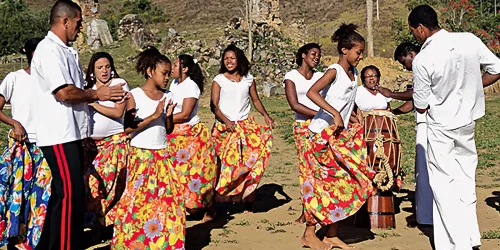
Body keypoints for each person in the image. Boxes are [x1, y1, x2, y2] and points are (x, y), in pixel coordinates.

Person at [30, 1, 126, 249]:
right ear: (64, 21)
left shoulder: (66, 51)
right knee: (70, 195)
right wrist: (98, 95)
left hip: (71, 132)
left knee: (64, 195)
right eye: (78, 22)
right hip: (59, 133)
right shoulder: (49, 50)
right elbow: (64, 93)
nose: (80, 28)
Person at [409, 5, 500, 250]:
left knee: (443, 184)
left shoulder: (424, 59)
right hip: (468, 123)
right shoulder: (469, 40)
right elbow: (497, 68)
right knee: (466, 180)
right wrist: (471, 88)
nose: (415, 37)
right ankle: (471, 238)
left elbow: (420, 105)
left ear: (420, 28)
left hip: (441, 126)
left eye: (414, 32)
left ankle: (456, 243)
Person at [303, 23, 376, 250]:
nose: (360, 56)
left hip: (338, 137)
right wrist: (334, 113)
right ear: (345, 50)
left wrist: (354, 115)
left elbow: (347, 101)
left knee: (341, 184)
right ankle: (308, 233)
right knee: (319, 186)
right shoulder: (333, 71)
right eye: (358, 52)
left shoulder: (353, 73)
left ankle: (332, 234)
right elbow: (311, 92)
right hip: (320, 136)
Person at [112, 47, 184, 249]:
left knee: (168, 202)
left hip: (162, 155)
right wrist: (154, 114)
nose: (168, 77)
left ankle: (165, 242)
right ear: (150, 71)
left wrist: (167, 115)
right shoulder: (135, 95)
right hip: (140, 156)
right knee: (138, 203)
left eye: (169, 73)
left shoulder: (168, 95)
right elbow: (128, 128)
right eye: (164, 73)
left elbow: (168, 129)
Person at [0, 38, 51, 250]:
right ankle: (15, 240)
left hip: (45, 145)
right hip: (21, 145)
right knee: (16, 194)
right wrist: (14, 123)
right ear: (30, 54)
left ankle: (36, 242)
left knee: (41, 197)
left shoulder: (50, 82)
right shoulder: (14, 78)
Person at [210, 44, 274, 211]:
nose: (229, 61)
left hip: (246, 127)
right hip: (225, 128)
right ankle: (220, 199)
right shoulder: (219, 80)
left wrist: (266, 115)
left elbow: (256, 100)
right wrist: (226, 121)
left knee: (247, 162)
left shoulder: (248, 79)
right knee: (223, 165)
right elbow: (214, 106)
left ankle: (246, 195)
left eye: (232, 58)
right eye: (226, 59)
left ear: (238, 60)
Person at [378, 42, 433, 227]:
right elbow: (414, 102)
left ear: (411, 54)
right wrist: (395, 112)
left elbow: (414, 94)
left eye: (404, 62)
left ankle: (426, 217)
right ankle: (426, 213)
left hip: (429, 125)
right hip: (426, 123)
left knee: (425, 171)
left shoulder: (423, 66)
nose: (404, 67)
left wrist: (390, 93)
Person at [167, 54, 216, 223]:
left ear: (185, 69)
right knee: (178, 174)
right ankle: (186, 206)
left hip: (190, 136)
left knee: (197, 174)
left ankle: (209, 209)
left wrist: (162, 118)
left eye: (175, 65)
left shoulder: (190, 86)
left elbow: (185, 114)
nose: (172, 68)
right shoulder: (174, 84)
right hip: (174, 135)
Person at [83, 52, 130, 229]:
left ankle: (107, 221)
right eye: (100, 67)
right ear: (93, 71)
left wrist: (93, 102)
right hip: (91, 146)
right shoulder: (88, 87)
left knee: (102, 184)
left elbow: (118, 112)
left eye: (107, 66)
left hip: (113, 143)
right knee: (89, 185)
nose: (104, 71)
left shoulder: (119, 84)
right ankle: (97, 222)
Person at [283, 43, 323, 224]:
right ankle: (306, 210)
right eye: (313, 54)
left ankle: (321, 208)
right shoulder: (291, 76)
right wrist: (320, 114)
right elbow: (294, 104)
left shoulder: (321, 77)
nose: (316, 58)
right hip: (303, 127)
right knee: (306, 169)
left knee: (320, 168)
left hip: (322, 126)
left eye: (318, 55)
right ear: (303, 55)